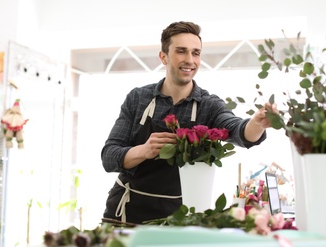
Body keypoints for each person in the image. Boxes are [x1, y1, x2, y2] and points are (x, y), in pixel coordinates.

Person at [101, 21, 276, 224]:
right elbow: (109, 156)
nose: (190, 60)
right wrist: (144, 150)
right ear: (163, 56)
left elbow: (237, 129)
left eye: (196, 53)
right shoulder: (138, 99)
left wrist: (257, 123)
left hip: (177, 220)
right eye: (181, 51)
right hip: (125, 214)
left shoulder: (208, 106)